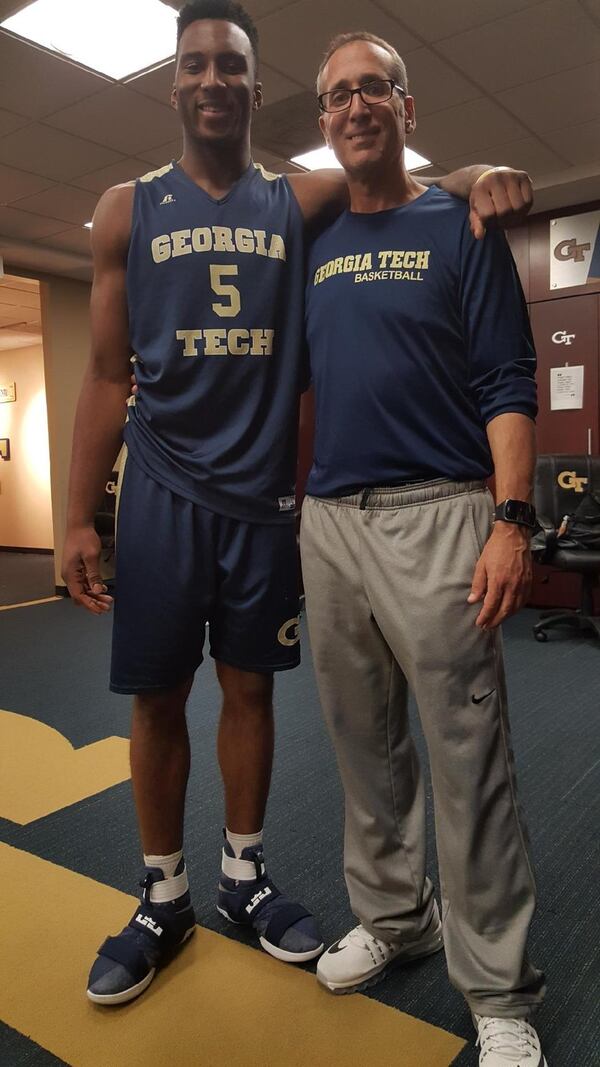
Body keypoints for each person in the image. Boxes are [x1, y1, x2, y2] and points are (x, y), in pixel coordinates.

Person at [62, 0, 535, 1008]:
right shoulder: (149, 209)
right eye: (193, 64)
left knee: (297, 707)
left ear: (254, 84)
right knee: (227, 714)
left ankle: (259, 882)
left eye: (230, 65)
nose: (211, 81)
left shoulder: (318, 204)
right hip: (216, 502)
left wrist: (463, 179)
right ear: (175, 80)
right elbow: (103, 373)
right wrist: (73, 516)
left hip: (319, 507)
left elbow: (410, 202)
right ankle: (172, 894)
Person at [299, 31, 547, 1067]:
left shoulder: (464, 222)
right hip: (329, 522)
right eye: (337, 94)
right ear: (322, 121)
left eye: (375, 89)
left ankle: (499, 992)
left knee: (466, 756)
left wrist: (510, 517)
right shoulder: (303, 236)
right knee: (365, 747)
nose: (356, 105)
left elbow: (507, 382)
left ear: (406, 107)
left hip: (442, 513)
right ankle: (398, 918)